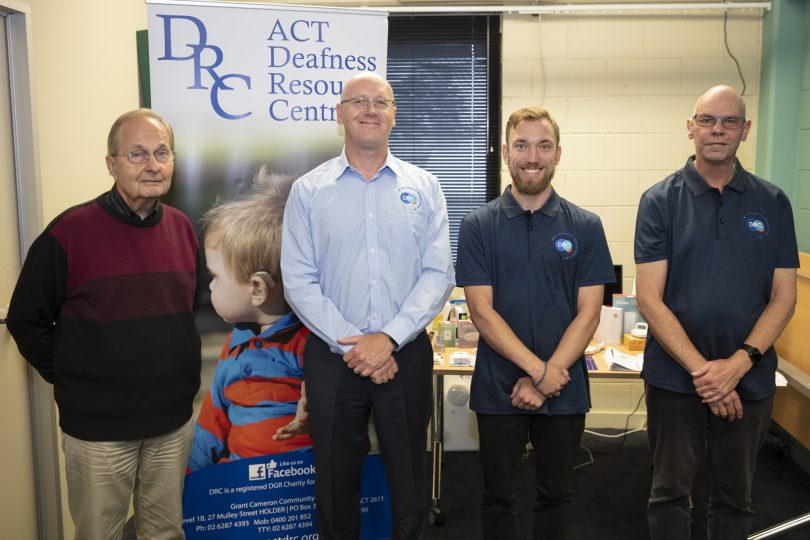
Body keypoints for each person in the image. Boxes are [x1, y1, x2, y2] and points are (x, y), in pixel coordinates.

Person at [6, 108, 201, 540]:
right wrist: (76, 377)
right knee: (100, 533)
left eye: (161, 153)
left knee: (166, 531)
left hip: (171, 423)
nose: (152, 165)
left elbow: (189, 310)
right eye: (137, 154)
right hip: (99, 432)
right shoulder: (70, 232)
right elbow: (26, 318)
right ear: (111, 163)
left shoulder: (184, 229)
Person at [281, 72, 455, 539]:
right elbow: (299, 281)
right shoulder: (308, 191)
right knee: (335, 484)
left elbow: (438, 274)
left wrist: (389, 339)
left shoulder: (425, 186)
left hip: (407, 356)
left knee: (410, 484)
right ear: (339, 113)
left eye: (381, 101)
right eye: (358, 100)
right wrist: (359, 347)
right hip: (332, 360)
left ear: (394, 115)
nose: (370, 109)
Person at [634, 85, 799, 539]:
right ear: (691, 127)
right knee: (669, 494)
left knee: (735, 500)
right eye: (707, 120)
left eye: (729, 121)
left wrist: (738, 364)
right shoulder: (659, 201)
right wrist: (707, 374)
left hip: (750, 378)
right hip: (675, 378)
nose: (718, 130)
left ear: (745, 130)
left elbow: (784, 297)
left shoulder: (773, 202)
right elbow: (649, 298)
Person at [455, 106, 614, 540]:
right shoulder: (477, 226)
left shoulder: (586, 226)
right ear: (506, 152)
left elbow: (590, 313)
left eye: (543, 146)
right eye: (522, 145)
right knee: (497, 497)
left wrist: (546, 378)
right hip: (497, 388)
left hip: (563, 390)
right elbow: (482, 313)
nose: (532, 156)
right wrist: (538, 371)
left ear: (558, 154)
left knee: (556, 496)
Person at [188, 172, 312, 472]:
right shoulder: (234, 346)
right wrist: (190, 481)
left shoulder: (310, 344)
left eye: (215, 277)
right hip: (242, 493)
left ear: (256, 289)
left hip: (304, 490)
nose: (211, 286)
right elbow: (212, 423)